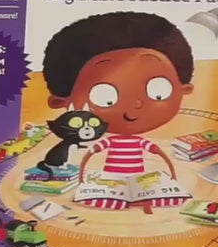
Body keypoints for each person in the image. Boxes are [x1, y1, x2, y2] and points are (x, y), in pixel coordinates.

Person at [42, 12, 194, 209]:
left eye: (158, 92)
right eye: (105, 98)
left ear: (184, 90)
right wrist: (83, 181)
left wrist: (171, 177)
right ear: (60, 102)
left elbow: (160, 155)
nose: (134, 107)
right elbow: (89, 156)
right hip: (110, 181)